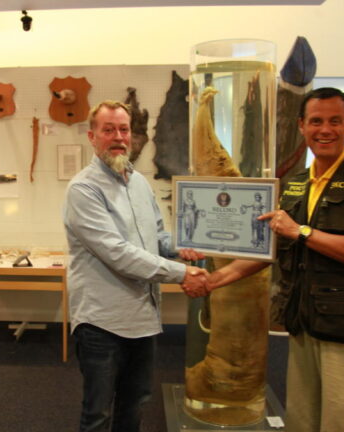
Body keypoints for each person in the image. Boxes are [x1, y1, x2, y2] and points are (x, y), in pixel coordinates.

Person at [185, 88, 344, 431]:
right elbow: (270, 250)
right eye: (316, 121)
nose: (325, 129)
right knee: (303, 420)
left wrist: (301, 231)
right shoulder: (298, 184)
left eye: (335, 121)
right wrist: (213, 281)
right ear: (302, 126)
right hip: (305, 326)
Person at [63, 100, 206, 431]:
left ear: (132, 135)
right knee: (98, 414)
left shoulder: (139, 183)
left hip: (143, 318)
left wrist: (183, 245)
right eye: (108, 130)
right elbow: (118, 253)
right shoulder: (83, 189)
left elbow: (156, 236)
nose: (118, 137)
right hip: (102, 323)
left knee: (135, 404)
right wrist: (182, 273)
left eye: (124, 129)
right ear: (92, 136)